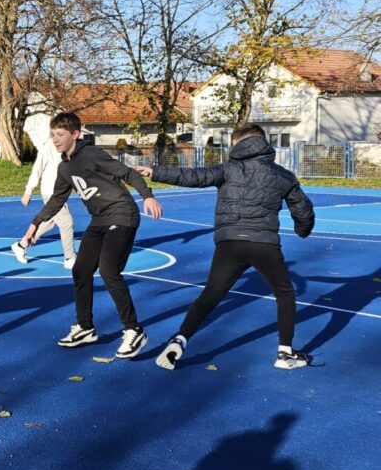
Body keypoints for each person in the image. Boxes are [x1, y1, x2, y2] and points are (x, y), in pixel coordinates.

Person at [135, 124, 316, 370]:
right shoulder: (283, 175)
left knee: (211, 294)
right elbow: (302, 209)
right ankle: (285, 353)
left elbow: (194, 176)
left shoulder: (228, 169)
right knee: (285, 293)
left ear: (237, 143)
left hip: (229, 242)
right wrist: (302, 230)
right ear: (264, 144)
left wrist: (155, 172)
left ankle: (180, 339)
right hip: (263, 243)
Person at [21, 112, 162, 358]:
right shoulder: (64, 167)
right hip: (100, 220)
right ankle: (85, 328)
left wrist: (147, 195)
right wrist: (35, 224)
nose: (55, 139)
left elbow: (128, 173)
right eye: (52, 135)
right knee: (80, 270)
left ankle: (134, 330)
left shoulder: (92, 154)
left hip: (122, 214)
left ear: (75, 134)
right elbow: (57, 199)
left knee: (109, 271)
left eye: (60, 135)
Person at [11, 135, 77, 269]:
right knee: (66, 222)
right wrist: (28, 190)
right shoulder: (47, 147)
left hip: (60, 193)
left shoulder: (70, 146)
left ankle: (21, 245)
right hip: (50, 192)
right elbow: (37, 169)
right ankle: (70, 258)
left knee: (49, 223)